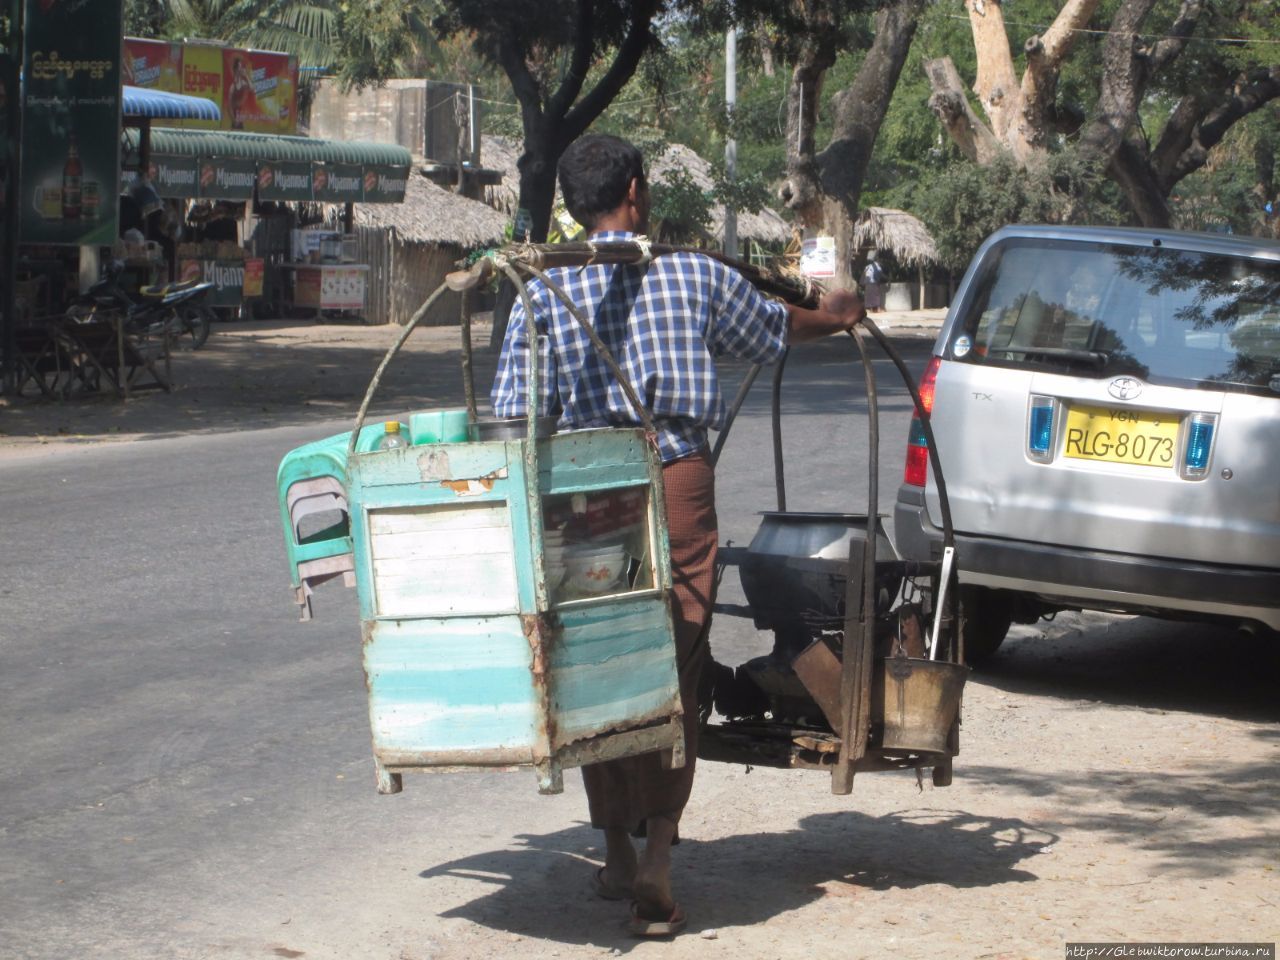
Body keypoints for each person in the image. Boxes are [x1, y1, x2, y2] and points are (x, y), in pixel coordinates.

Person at [490, 133, 865, 939]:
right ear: (634, 191)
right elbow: (781, 328)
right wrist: (835, 307)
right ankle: (656, 854)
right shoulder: (693, 274)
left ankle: (615, 855)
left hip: (581, 491)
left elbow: (513, 412)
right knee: (675, 655)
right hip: (673, 476)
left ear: (573, 205)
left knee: (600, 653)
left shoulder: (539, 293)